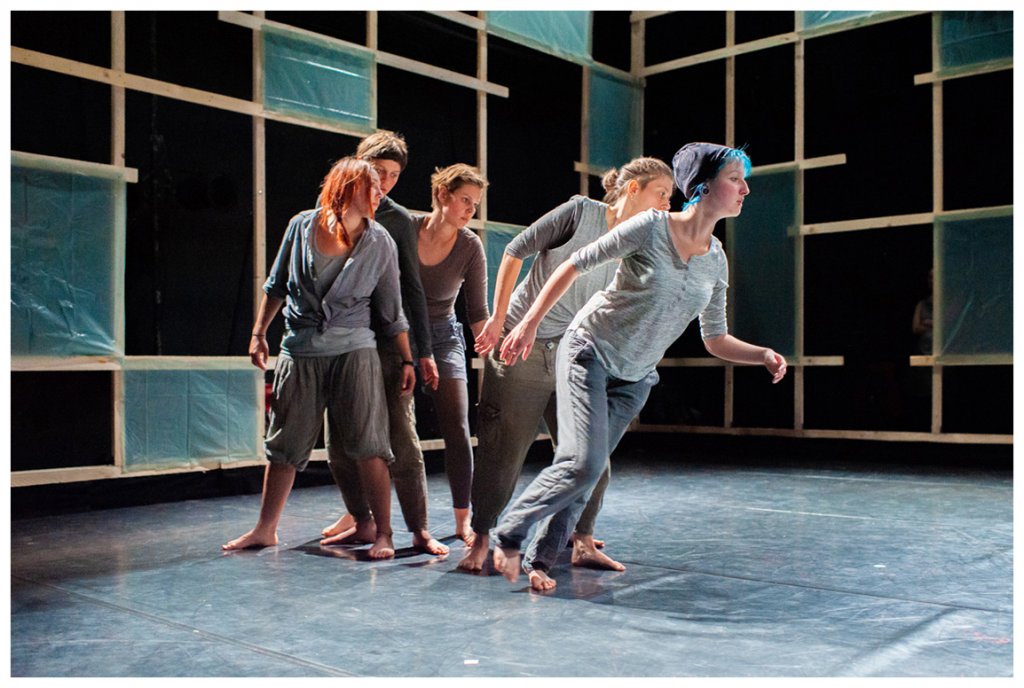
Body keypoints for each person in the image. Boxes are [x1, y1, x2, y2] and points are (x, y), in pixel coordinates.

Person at [492, 143, 788, 590]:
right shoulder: (650, 227)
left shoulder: (716, 259)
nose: (745, 189)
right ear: (704, 187)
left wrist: (760, 354)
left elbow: (714, 339)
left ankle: (540, 561)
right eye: (735, 179)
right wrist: (529, 323)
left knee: (588, 475)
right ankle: (510, 532)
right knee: (583, 464)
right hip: (589, 351)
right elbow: (573, 264)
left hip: (635, 377)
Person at [457, 157, 675, 575]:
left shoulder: (641, 241)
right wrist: (500, 318)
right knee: (504, 452)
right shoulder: (580, 213)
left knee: (592, 459)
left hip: (575, 355)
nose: (667, 204)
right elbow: (515, 251)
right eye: (661, 193)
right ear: (633, 189)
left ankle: (582, 540)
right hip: (523, 346)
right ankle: (482, 536)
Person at [222, 157, 415, 560]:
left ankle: (383, 532)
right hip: (301, 350)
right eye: (372, 186)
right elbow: (276, 285)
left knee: (369, 444)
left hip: (354, 351)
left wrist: (409, 360)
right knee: (285, 443)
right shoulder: (301, 226)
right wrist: (258, 333)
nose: (380, 194)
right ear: (348, 188)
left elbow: (391, 310)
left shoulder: (380, 241)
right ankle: (265, 529)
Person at [319, 131, 448, 556]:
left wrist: (423, 352)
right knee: (341, 441)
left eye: (394, 175)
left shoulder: (397, 219)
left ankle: (419, 530)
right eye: (379, 172)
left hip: (390, 342)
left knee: (401, 438)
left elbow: (412, 288)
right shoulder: (325, 213)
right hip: (339, 342)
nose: (386, 183)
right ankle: (363, 521)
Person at [415, 163, 490, 545]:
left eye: (475, 204)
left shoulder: (470, 246)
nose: (470, 210)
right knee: (384, 428)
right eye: (465, 200)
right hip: (399, 334)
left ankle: (464, 519)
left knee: (458, 426)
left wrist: (494, 351)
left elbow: (477, 312)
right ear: (442, 194)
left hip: (444, 336)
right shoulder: (406, 230)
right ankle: (363, 515)